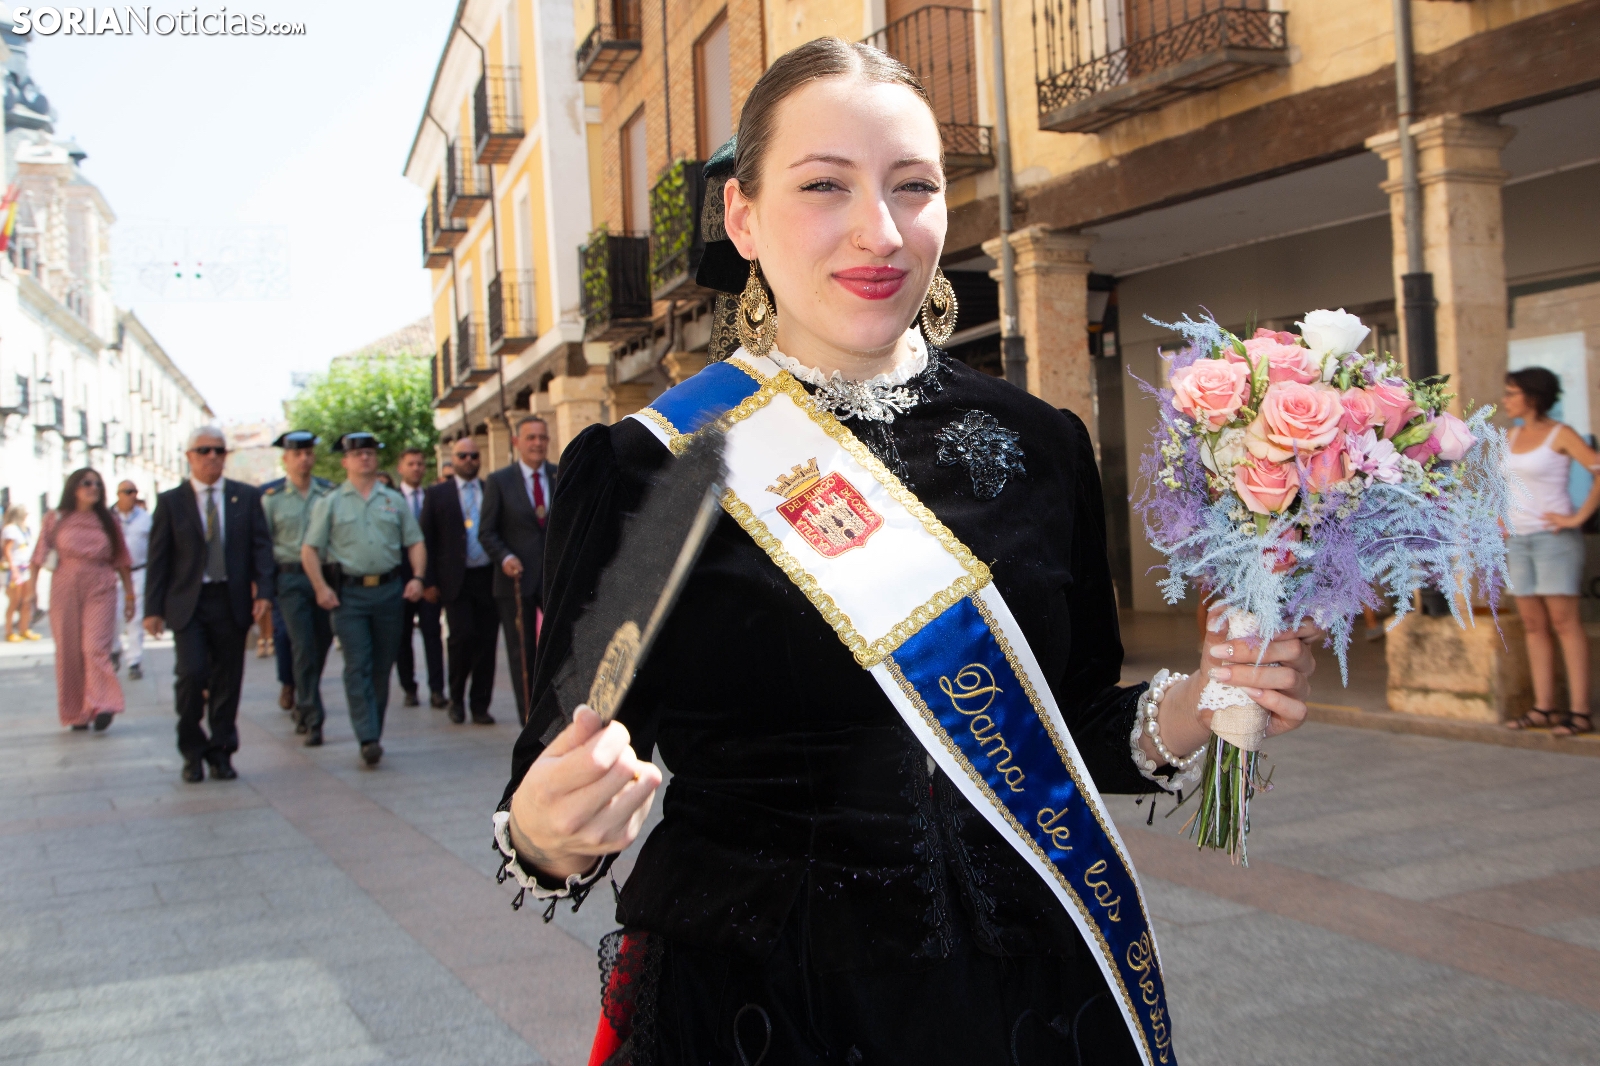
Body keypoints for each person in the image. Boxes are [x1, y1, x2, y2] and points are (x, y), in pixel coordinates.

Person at [493, 40, 1320, 1065]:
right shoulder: (648, 468)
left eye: (913, 185)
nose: (880, 231)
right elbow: (557, 772)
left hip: (1028, 1002)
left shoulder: (1041, 444)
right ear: (742, 217)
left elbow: (1068, 726)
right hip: (762, 1008)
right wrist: (548, 830)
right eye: (823, 185)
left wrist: (1203, 700)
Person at [145, 426, 276, 783]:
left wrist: (264, 592)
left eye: (219, 450)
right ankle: (192, 750)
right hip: (189, 603)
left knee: (227, 680)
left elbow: (261, 548)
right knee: (191, 674)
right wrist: (152, 609)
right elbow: (158, 559)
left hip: (231, 600)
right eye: (204, 450)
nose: (212, 457)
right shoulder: (171, 502)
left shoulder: (244, 497)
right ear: (189, 457)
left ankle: (221, 751)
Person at [301, 432, 426, 767]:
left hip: (388, 592)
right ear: (346, 461)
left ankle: (374, 729)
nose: (365, 458)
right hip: (349, 596)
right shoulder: (330, 502)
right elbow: (309, 550)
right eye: (358, 455)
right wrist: (320, 587)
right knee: (358, 664)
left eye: (370, 453)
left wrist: (417, 577)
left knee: (382, 666)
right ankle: (367, 736)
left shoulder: (393, 500)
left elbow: (414, 541)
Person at [1501, 367, 1600, 737]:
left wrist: (1578, 518)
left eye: (1512, 393)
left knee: (1564, 623)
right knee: (1533, 624)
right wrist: (1500, 517)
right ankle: (1543, 707)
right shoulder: (1510, 436)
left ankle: (1580, 712)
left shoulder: (1562, 434)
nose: (1505, 399)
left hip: (1554, 540)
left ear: (1533, 396)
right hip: (1518, 540)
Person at [32, 469, 135, 731]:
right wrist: (31, 591)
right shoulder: (56, 518)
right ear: (73, 488)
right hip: (64, 585)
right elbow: (39, 555)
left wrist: (130, 594)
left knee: (94, 647)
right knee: (68, 650)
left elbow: (122, 558)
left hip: (101, 583)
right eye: (87, 483)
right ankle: (77, 711)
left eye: (98, 484)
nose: (93, 488)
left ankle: (103, 704)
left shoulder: (109, 520)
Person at [479, 415, 557, 726]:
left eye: (542, 437)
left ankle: (559, 712)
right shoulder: (499, 481)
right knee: (522, 651)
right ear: (516, 442)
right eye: (530, 438)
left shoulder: (560, 474)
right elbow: (486, 531)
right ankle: (528, 718)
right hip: (515, 579)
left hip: (553, 578)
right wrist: (505, 557)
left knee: (559, 645)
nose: (537, 443)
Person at [261, 430, 336, 745]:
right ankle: (313, 716)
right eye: (297, 454)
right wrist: (264, 590)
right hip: (291, 579)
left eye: (308, 453)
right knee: (303, 645)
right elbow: (264, 545)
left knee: (321, 644)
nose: (304, 459)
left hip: (326, 577)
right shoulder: (272, 498)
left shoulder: (329, 493)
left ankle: (304, 700)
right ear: (286, 459)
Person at [420, 437, 500, 725]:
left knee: (487, 642)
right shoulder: (437, 494)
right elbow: (427, 539)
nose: (469, 460)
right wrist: (428, 581)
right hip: (455, 580)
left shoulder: (491, 489)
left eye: (474, 456)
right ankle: (456, 698)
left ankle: (480, 704)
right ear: (452, 459)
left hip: (488, 577)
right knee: (461, 638)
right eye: (462, 456)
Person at [395, 446, 446, 709]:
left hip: (428, 579)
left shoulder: (433, 497)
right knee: (401, 637)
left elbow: (437, 543)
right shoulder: (390, 499)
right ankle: (409, 688)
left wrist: (429, 580)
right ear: (400, 468)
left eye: (420, 464)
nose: (416, 468)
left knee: (432, 634)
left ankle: (437, 689)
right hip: (399, 580)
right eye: (411, 464)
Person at [112, 481, 153, 679]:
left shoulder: (145, 518)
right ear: (118, 494)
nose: (132, 496)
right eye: (127, 492)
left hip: (138, 572)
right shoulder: (109, 518)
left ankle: (134, 660)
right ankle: (114, 649)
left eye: (134, 492)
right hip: (113, 574)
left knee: (135, 617)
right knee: (113, 615)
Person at [3, 504, 40, 642]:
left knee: (26, 600)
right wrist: (13, 569)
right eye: (25, 513)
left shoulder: (25, 529)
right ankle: (9, 632)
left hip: (26, 568)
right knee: (15, 601)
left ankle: (24, 629)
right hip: (15, 569)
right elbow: (7, 550)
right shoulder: (10, 529)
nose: (26, 515)